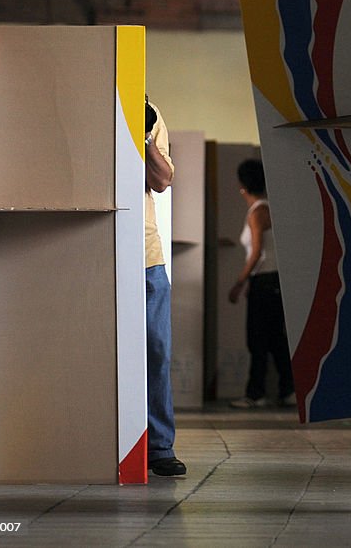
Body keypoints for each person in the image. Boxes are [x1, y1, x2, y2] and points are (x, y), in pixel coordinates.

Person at [228, 159, 295, 409]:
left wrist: (239, 283)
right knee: (275, 338)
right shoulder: (266, 208)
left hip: (264, 280)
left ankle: (256, 393)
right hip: (274, 281)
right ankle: (287, 390)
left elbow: (257, 253)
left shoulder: (258, 212)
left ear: (242, 186)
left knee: (258, 339)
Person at [144, 97, 186, 477]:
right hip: (90, 248)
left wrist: (143, 137)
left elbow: (161, 180)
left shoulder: (151, 111)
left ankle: (159, 447)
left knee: (156, 349)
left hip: (144, 255)